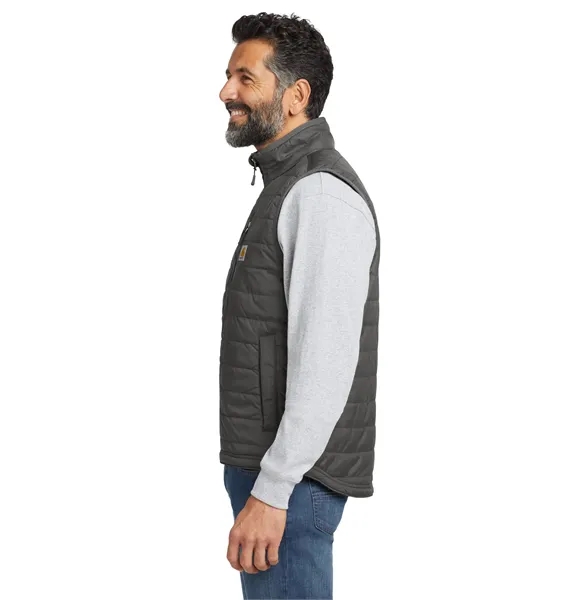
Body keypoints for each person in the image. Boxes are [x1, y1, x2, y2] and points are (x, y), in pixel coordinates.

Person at [218, 12, 381, 599]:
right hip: (277, 475)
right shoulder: (289, 186)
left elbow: (326, 362)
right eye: (228, 76)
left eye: (245, 77)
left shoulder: (319, 194)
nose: (226, 92)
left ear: (296, 96)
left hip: (291, 483)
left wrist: (273, 489)